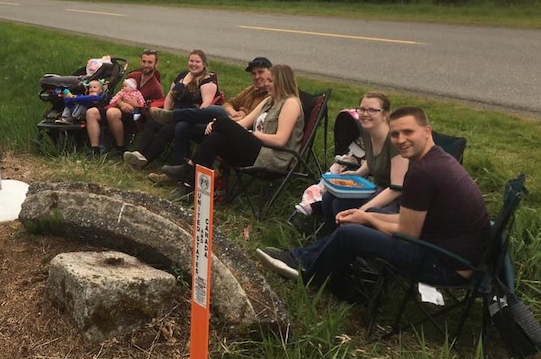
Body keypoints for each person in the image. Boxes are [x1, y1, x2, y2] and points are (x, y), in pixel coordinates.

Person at [255, 107, 490, 301]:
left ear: (427, 132)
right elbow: (409, 222)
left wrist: (367, 219)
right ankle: (301, 259)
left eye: (408, 132)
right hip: (449, 252)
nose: (401, 140)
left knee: (351, 234)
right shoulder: (437, 160)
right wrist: (365, 215)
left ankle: (311, 275)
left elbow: (407, 232)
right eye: (395, 134)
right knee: (363, 219)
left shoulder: (424, 173)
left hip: (447, 267)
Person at [160, 64, 304, 185]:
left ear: (281, 82)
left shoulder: (290, 103)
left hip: (273, 159)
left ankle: (188, 167)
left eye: (270, 81)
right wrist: (219, 125)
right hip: (257, 152)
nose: (266, 84)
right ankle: (189, 185)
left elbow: (280, 140)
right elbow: (243, 124)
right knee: (215, 138)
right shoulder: (269, 101)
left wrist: (250, 134)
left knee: (222, 121)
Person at [317, 92, 408, 233]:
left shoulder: (395, 142)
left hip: (399, 200)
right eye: (362, 109)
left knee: (341, 203)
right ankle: (330, 238)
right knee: (329, 197)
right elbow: (374, 160)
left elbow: (396, 189)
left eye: (372, 110)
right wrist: (357, 174)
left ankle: (341, 241)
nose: (365, 114)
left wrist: (362, 211)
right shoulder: (368, 132)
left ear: (385, 114)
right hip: (378, 189)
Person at [122, 49, 218, 169]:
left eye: (197, 62)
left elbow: (206, 105)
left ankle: (145, 160)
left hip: (190, 118)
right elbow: (170, 96)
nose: (193, 64)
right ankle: (138, 153)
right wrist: (165, 113)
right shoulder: (183, 76)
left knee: (166, 130)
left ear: (204, 64)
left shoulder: (208, 81)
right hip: (173, 114)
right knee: (152, 123)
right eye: (191, 60)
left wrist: (185, 115)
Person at [85, 49, 163, 157]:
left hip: (135, 116)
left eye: (150, 62)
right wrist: (121, 103)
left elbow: (155, 110)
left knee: (112, 113)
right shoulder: (133, 76)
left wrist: (138, 106)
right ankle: (95, 149)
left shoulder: (156, 87)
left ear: (156, 64)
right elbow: (120, 94)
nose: (146, 65)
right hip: (118, 107)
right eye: (144, 61)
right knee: (91, 112)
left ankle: (120, 148)